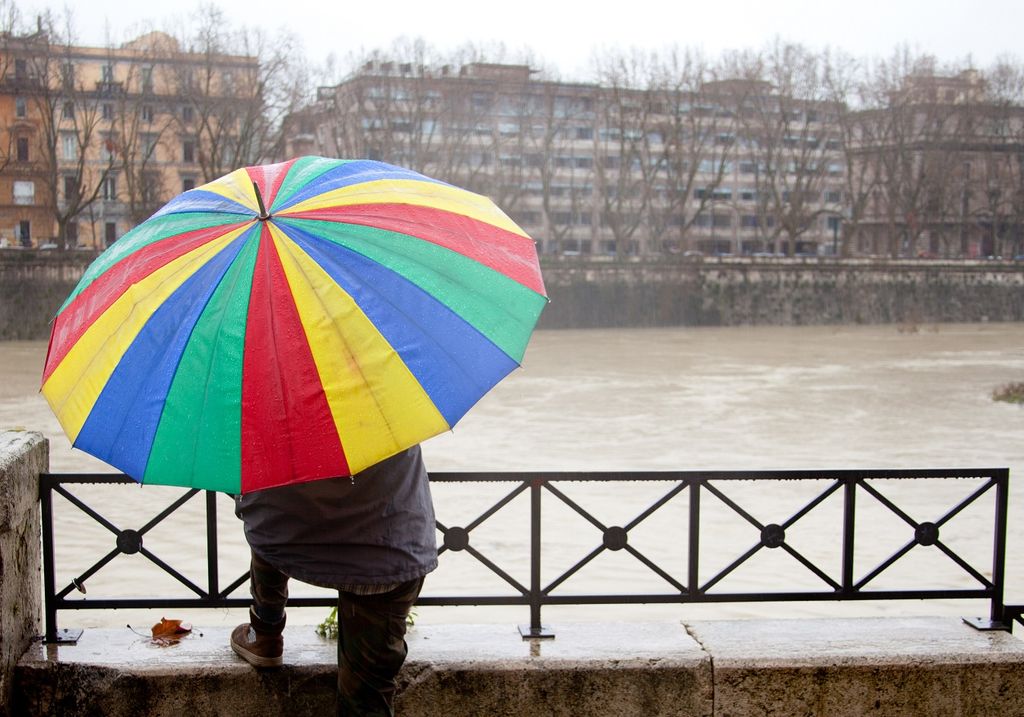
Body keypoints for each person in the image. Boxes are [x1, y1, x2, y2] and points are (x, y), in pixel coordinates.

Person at [231, 445, 437, 717]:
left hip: (285, 534)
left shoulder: (271, 424)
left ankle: (265, 630)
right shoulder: (393, 419)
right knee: (366, 697)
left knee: (267, 517)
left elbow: (246, 491)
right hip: (384, 552)